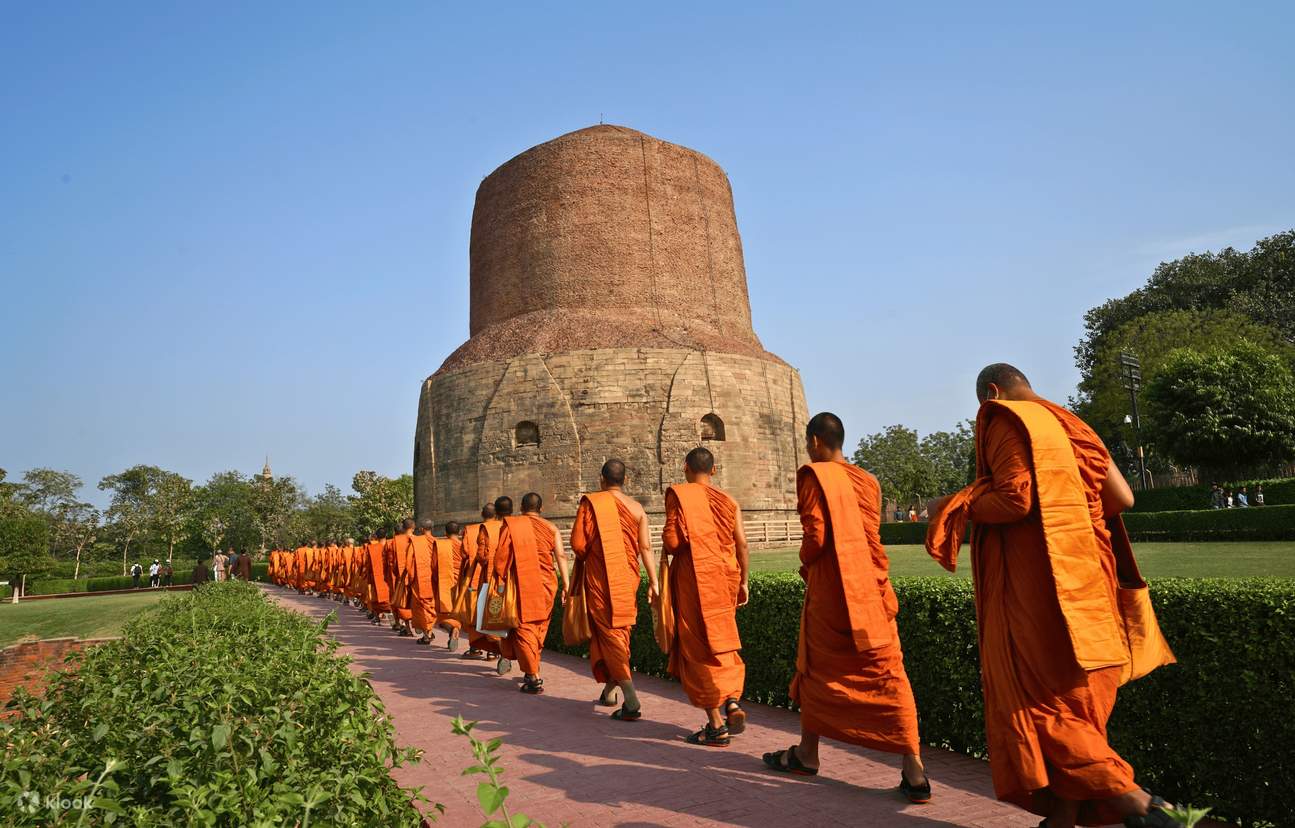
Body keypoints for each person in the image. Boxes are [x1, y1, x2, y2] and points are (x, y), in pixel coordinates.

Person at [926, 363, 1179, 828]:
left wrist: (954, 505)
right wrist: (1072, 519)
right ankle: (1062, 818)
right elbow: (1122, 498)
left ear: (992, 394)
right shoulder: (1073, 423)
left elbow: (1014, 501)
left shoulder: (1005, 418)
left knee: (1037, 701)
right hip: (1090, 582)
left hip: (1040, 587)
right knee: (1076, 698)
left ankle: (1136, 801)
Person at [761, 413, 930, 804]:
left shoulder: (814, 476)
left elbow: (817, 536)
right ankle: (913, 768)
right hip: (871, 590)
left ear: (816, 442)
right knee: (887, 671)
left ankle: (808, 754)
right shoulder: (868, 480)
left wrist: (805, 561)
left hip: (834, 594)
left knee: (817, 669)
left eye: (808, 444)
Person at [662, 447, 750, 746]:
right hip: (725, 577)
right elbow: (742, 545)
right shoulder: (729, 501)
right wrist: (744, 583)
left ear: (685, 467)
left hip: (694, 580)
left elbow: (673, 542)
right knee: (722, 641)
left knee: (698, 648)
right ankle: (733, 701)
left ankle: (715, 725)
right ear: (714, 470)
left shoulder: (680, 496)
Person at [569, 459, 656, 721]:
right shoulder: (637, 508)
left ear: (601, 480)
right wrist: (654, 581)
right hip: (628, 578)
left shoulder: (591, 503)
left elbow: (578, 545)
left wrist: (596, 553)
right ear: (625, 480)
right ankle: (610, 690)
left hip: (602, 578)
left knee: (610, 633)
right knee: (619, 631)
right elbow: (646, 548)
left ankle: (630, 697)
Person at [493, 492, 569, 692]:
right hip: (547, 584)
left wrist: (500, 580)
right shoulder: (551, 528)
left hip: (523, 583)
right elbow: (561, 555)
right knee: (539, 626)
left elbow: (501, 559)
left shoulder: (512, 525)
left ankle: (534, 677)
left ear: (521, 508)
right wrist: (567, 585)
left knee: (525, 627)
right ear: (541, 509)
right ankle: (531, 668)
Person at [461, 503, 504, 660]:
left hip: (482, 578)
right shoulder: (506, 527)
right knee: (499, 612)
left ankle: (485, 648)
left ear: (482, 514)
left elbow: (471, 554)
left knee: (480, 613)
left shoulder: (474, 530)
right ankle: (495, 650)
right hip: (505, 579)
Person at [432, 521, 464, 650]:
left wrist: (436, 580)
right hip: (461, 583)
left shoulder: (441, 546)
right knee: (461, 612)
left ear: (445, 533)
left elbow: (434, 566)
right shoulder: (463, 546)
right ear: (460, 532)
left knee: (442, 614)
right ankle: (456, 627)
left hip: (445, 582)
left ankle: (452, 628)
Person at [410, 520, 439, 645]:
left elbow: (408, 564)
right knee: (431, 606)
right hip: (433, 579)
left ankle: (427, 635)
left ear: (421, 529)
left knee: (421, 607)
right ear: (432, 528)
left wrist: (410, 579)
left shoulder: (416, 542)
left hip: (420, 579)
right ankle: (430, 631)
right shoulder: (437, 542)